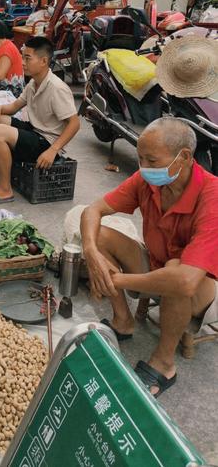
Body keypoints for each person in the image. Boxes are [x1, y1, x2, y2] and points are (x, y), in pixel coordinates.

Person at [80, 118, 218, 397]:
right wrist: (91, 253)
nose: (143, 167)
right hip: (154, 263)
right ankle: (122, 321)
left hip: (198, 288)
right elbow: (92, 210)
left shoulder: (212, 195)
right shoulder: (147, 180)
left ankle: (165, 363)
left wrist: (114, 280)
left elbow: (188, 281)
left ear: (185, 158)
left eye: (151, 160)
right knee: (102, 236)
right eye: (140, 158)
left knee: (178, 272)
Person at [0, 36, 79, 204]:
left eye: (27, 58)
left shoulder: (57, 88)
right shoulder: (33, 83)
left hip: (47, 142)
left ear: (43, 61)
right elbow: (14, 107)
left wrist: (53, 150)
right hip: (34, 131)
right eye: (23, 57)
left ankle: (5, 189)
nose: (22, 62)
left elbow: (74, 123)